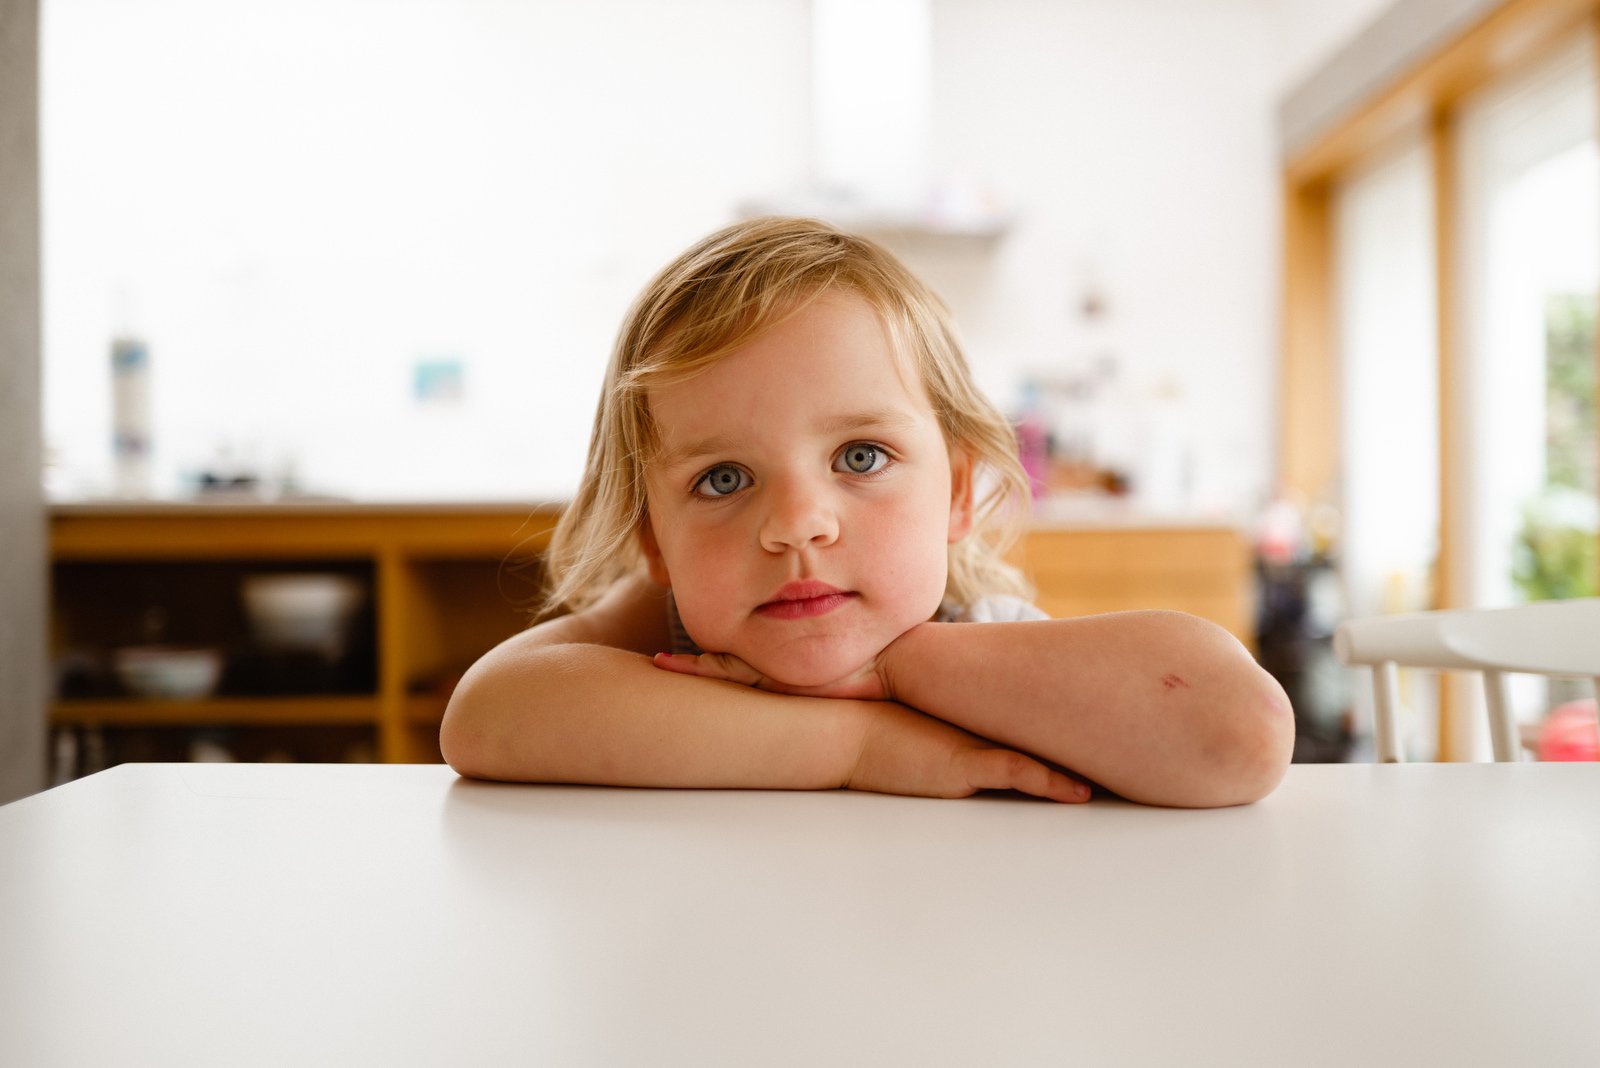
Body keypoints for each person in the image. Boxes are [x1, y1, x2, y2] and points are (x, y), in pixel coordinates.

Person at [441, 216, 1293, 807]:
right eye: (725, 479)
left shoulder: (987, 638)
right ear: (652, 540)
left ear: (958, 492)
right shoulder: (670, 635)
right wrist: (860, 748)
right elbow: (486, 716)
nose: (797, 526)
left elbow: (1240, 733)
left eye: (861, 458)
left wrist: (901, 671)